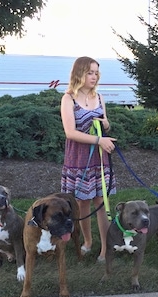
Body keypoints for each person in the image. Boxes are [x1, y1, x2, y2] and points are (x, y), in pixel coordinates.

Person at [60, 56, 117, 262]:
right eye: (90, 72)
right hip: (78, 158)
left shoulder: (99, 97)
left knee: (101, 203)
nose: (94, 77)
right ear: (79, 73)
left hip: (99, 161)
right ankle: (88, 241)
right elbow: (70, 132)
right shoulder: (68, 99)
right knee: (82, 202)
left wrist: (105, 124)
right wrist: (99, 140)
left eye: (96, 73)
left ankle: (105, 247)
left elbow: (106, 123)